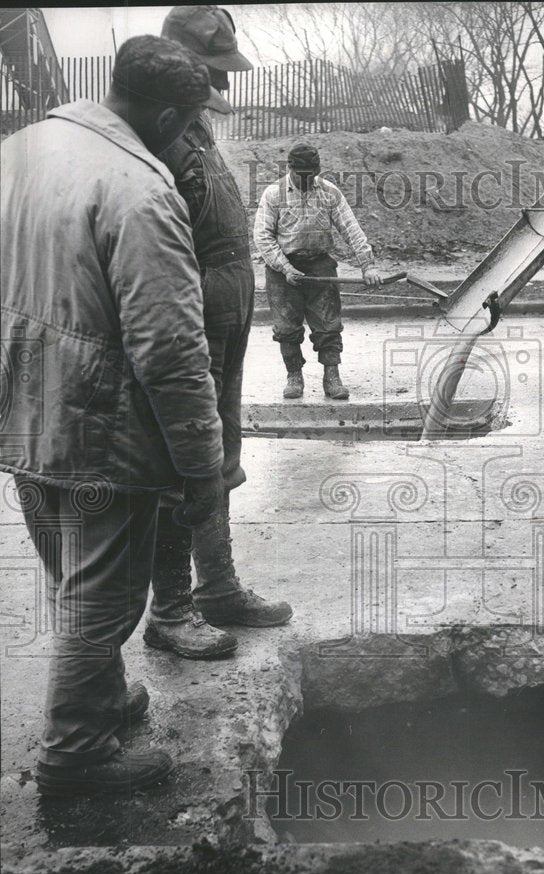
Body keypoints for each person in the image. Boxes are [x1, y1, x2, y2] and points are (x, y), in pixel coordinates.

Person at [0, 36, 228, 795]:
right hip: (99, 428)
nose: (193, 136)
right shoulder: (140, 189)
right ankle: (77, 752)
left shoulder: (24, 146)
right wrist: (201, 468)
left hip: (22, 411)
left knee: (70, 572)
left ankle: (99, 699)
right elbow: (168, 349)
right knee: (102, 594)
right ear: (164, 113)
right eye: (191, 121)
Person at [142, 5, 293, 661]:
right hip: (187, 320)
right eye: (208, 71)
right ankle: (171, 612)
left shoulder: (198, 129)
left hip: (223, 320)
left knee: (218, 453)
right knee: (183, 461)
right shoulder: (158, 135)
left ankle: (219, 588)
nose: (217, 86)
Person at [254, 139, 382, 400]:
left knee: (328, 325)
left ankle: (332, 377)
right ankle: (294, 375)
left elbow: (351, 228)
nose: (306, 179)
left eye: (312, 174)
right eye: (301, 174)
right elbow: (263, 237)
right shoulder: (273, 194)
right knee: (287, 328)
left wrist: (367, 265)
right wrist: (285, 267)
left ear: (318, 169)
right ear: (289, 168)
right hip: (282, 270)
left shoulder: (329, 192)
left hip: (319, 265)